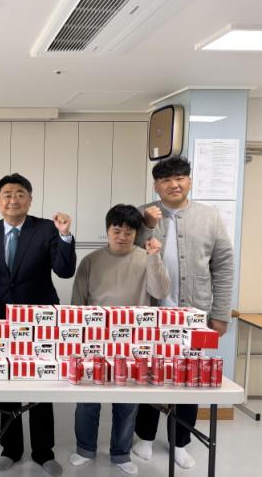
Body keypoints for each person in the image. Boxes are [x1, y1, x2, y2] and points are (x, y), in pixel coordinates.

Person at [132, 157, 234, 469]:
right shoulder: (143, 213)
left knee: (189, 377)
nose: (174, 184)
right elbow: (127, 252)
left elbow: (223, 265)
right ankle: (144, 437)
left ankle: (181, 441)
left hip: (195, 314)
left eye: (180, 178)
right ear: (156, 185)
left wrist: (220, 313)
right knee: (148, 374)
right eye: (166, 180)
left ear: (189, 181)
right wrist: (147, 225)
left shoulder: (209, 217)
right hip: (151, 313)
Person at [0, 173, 76, 476]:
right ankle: (11, 448)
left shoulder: (47, 229)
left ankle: (44, 452)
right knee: (5, 383)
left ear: (30, 200)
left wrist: (65, 236)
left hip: (38, 319)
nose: (13, 199)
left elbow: (65, 270)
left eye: (20, 193)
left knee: (42, 384)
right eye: (7, 194)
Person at [69, 204, 170, 476]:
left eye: (128, 232)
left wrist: (154, 259)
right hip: (94, 340)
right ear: (107, 231)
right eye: (117, 230)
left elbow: (160, 291)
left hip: (133, 343)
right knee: (87, 400)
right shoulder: (91, 261)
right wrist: (78, 340)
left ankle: (121, 453)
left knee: (127, 401)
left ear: (136, 233)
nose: (122, 236)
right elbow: (77, 303)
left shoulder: (146, 257)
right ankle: (85, 449)